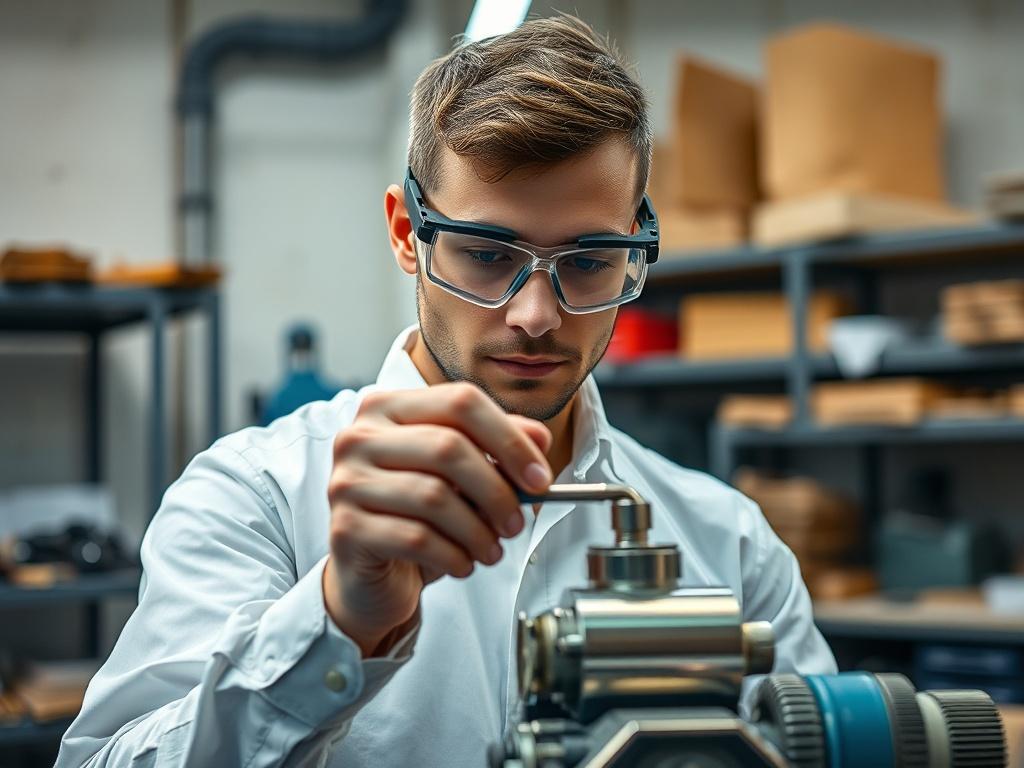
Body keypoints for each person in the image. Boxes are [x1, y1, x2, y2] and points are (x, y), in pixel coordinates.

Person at [58, 14, 835, 768]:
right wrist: (336, 623)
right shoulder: (253, 498)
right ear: (407, 233)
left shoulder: (727, 543)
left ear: (638, 244)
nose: (536, 315)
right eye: (487, 255)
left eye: (592, 259)